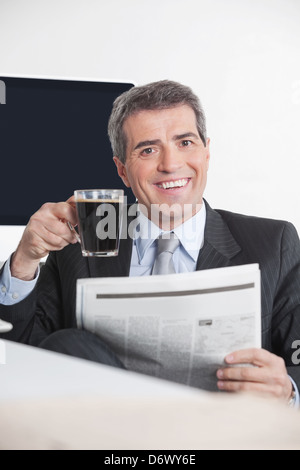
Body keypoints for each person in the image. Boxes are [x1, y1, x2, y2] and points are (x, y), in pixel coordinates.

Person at [0, 80, 299, 405]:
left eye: (185, 142)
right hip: (109, 439)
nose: (170, 164)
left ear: (207, 153)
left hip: (220, 435)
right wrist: (24, 262)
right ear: (123, 171)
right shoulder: (81, 243)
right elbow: (21, 354)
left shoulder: (274, 244)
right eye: (148, 149)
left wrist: (288, 391)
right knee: (69, 345)